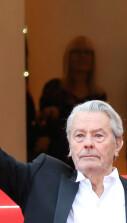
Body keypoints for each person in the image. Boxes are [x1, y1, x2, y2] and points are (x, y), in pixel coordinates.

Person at [37, 36, 106, 165]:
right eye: (76, 52)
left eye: (87, 53)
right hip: (54, 156)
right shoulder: (53, 88)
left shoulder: (98, 95)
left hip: (86, 157)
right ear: (68, 57)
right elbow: (41, 123)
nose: (82, 57)